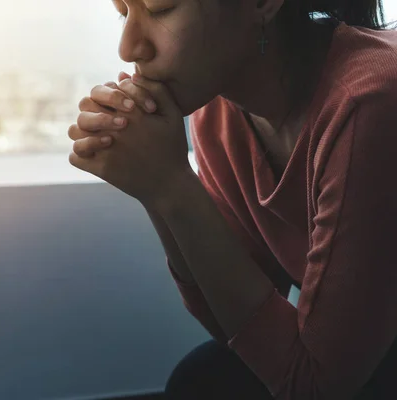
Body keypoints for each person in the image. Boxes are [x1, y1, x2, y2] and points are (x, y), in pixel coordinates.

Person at [67, 0, 397, 398]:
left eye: (160, 8)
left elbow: (316, 386)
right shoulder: (216, 112)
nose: (129, 47)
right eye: (124, 12)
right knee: (201, 379)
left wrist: (171, 186)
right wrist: (155, 187)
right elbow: (230, 325)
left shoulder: (370, 103)